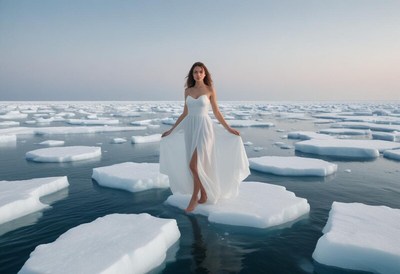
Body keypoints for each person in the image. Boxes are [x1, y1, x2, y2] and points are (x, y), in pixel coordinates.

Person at [160, 62, 250, 212]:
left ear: (205, 74)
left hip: (205, 128)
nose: (198, 74)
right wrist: (171, 130)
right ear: (192, 74)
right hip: (190, 128)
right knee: (194, 165)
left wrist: (228, 128)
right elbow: (185, 113)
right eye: (195, 72)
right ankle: (204, 193)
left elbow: (216, 112)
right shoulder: (187, 91)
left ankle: (195, 196)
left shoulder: (209, 90)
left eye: (200, 72)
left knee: (193, 165)